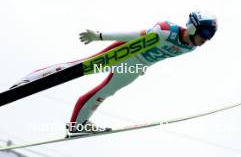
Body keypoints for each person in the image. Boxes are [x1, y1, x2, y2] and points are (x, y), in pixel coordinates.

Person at [10, 10, 218, 136]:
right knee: (78, 67)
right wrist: (100, 36)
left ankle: (77, 126)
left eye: (210, 36)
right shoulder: (166, 30)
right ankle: (25, 82)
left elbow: (161, 56)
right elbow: (134, 35)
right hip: (125, 53)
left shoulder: (190, 48)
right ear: (193, 26)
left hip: (136, 67)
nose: (206, 39)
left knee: (105, 92)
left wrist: (142, 68)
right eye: (205, 33)